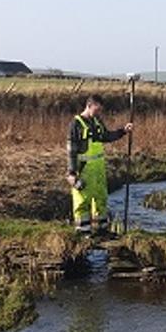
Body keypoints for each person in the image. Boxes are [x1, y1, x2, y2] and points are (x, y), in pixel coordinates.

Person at [67, 95, 133, 236]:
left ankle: (101, 230)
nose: (99, 113)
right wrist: (72, 173)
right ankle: (83, 231)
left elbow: (106, 136)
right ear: (89, 105)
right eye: (97, 109)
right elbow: (71, 150)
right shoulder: (76, 124)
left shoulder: (97, 121)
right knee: (82, 200)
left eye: (100, 110)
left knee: (101, 198)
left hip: (98, 169)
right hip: (83, 169)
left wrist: (123, 131)